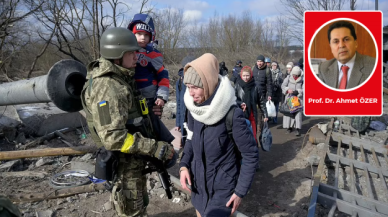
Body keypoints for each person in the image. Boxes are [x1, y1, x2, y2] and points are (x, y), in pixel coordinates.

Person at [81, 27, 177, 217]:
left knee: (139, 205)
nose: (137, 56)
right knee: (132, 211)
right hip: (125, 164)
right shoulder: (109, 87)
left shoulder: (121, 77)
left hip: (133, 160)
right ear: (117, 55)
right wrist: (154, 148)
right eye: (132, 52)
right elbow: (113, 138)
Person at [179, 53, 259, 217]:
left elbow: (250, 154)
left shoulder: (232, 114)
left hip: (223, 193)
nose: (191, 93)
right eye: (188, 87)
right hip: (199, 189)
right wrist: (184, 165)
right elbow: (191, 138)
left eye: (195, 87)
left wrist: (240, 192)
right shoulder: (195, 109)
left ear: (208, 84)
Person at [128, 13, 175, 143]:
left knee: (151, 127)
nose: (142, 38)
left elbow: (163, 76)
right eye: (139, 34)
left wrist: (161, 96)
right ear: (132, 34)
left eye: (146, 35)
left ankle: (162, 150)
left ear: (151, 37)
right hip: (129, 98)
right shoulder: (124, 51)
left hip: (149, 99)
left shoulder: (153, 54)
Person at [317, 20, 376, 89]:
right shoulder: (323, 68)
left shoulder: (374, 66)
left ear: (355, 43)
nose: (341, 45)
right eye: (336, 41)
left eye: (346, 39)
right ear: (331, 47)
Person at [234, 66, 268, 143]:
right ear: (241, 75)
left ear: (251, 75)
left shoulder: (256, 87)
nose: (246, 78)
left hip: (252, 114)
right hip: (240, 114)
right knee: (242, 136)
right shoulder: (237, 86)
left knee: (253, 135)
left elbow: (261, 102)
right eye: (244, 76)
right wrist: (240, 103)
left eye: (247, 75)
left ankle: (254, 151)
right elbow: (233, 99)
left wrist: (265, 115)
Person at [175, 55, 196, 157]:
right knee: (185, 141)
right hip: (184, 117)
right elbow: (179, 103)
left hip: (195, 117)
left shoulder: (197, 80)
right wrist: (178, 122)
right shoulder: (179, 82)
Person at [252, 55, 272, 141]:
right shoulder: (253, 68)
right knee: (254, 111)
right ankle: (255, 126)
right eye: (258, 61)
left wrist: (269, 94)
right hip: (253, 94)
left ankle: (260, 127)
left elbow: (269, 84)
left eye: (261, 61)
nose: (259, 63)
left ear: (263, 62)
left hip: (263, 94)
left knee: (260, 111)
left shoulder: (267, 70)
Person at [281, 66, 304, 136]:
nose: (295, 76)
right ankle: (289, 128)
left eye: (297, 75)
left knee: (298, 114)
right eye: (294, 75)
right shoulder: (288, 78)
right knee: (289, 113)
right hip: (289, 99)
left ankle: (298, 129)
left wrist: (298, 91)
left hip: (298, 99)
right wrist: (287, 90)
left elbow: (305, 88)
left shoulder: (303, 79)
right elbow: (283, 86)